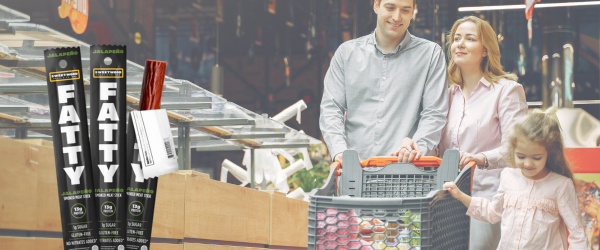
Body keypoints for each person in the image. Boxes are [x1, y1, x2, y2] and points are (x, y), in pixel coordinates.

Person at [436, 16, 528, 249]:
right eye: (456, 39)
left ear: (485, 50)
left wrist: (482, 158)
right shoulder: (446, 95)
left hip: (488, 198)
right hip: (447, 198)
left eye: (469, 38)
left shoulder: (507, 90)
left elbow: (517, 149)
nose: (460, 44)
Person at [320, 0, 448, 165]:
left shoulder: (430, 55)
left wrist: (416, 147)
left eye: (405, 10)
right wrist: (339, 151)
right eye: (390, 7)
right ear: (376, 6)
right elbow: (331, 109)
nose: (396, 17)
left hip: (406, 174)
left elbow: (435, 114)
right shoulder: (346, 54)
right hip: (355, 171)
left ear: (413, 12)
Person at [443, 107, 589, 249]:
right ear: (513, 150)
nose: (528, 163)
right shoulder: (508, 176)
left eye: (536, 158)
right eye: (521, 156)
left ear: (550, 153)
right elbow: (493, 212)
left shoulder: (561, 185)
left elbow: (577, 234)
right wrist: (461, 196)